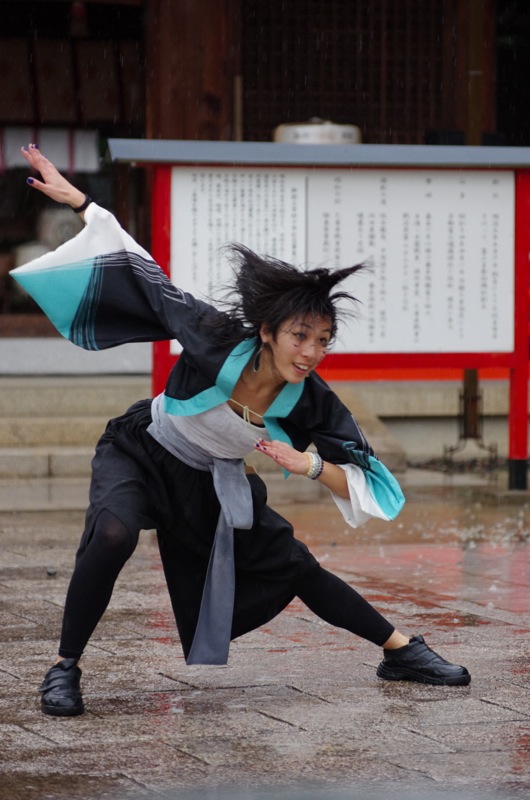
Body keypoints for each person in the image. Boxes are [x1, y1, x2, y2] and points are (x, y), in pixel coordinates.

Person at [13, 143, 470, 718]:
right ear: (268, 331)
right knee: (112, 535)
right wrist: (81, 201)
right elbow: (141, 268)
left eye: (323, 340)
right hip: (143, 450)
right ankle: (64, 668)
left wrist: (307, 465)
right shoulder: (212, 334)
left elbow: (372, 483)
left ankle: (401, 651)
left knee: (297, 565)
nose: (310, 352)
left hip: (211, 479)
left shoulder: (314, 402)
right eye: (300, 336)